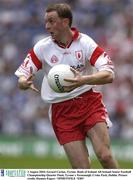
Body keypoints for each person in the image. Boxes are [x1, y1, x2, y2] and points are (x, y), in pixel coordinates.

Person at [15, 3, 119, 169]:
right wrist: (23, 82)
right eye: (46, 21)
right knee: (82, 171)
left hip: (88, 102)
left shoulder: (85, 43)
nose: (47, 26)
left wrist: (84, 80)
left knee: (105, 156)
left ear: (65, 22)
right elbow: (22, 76)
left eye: (51, 21)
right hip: (62, 111)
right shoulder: (42, 48)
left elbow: (109, 74)